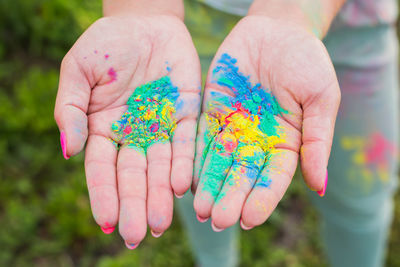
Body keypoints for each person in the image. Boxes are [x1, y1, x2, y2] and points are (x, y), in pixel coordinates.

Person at [54, 0, 399, 266]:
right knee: (196, 169)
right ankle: (215, 260)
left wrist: (291, 13)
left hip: (348, 21)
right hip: (192, 23)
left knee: (362, 190)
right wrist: (139, 9)